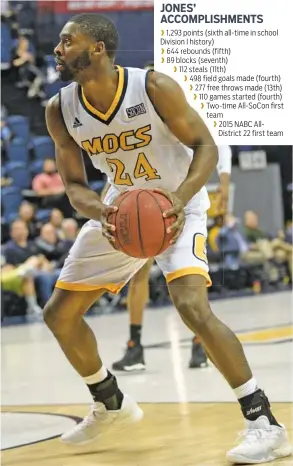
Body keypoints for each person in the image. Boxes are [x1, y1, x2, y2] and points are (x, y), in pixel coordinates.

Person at [44, 13, 291, 463]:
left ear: (97, 48)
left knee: (193, 307)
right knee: (59, 315)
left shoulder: (153, 86)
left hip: (178, 204)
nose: (58, 49)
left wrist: (177, 200)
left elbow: (206, 145)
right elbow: (75, 187)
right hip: (120, 209)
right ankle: (111, 401)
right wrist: (105, 211)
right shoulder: (60, 109)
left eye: (67, 40)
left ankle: (264, 423)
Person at [111, 144, 232, 371]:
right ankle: (134, 345)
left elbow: (217, 142)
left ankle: (200, 341)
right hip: (142, 197)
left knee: (191, 276)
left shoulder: (184, 113)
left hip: (180, 198)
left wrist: (224, 182)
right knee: (138, 274)